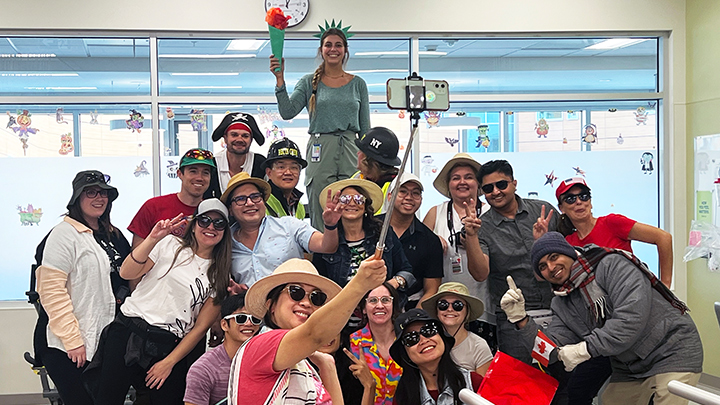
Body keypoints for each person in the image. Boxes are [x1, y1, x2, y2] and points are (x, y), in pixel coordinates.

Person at [500, 232, 703, 405]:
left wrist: (584, 350)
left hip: (671, 352)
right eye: (542, 266)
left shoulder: (612, 265)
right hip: (629, 366)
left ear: (569, 252)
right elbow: (548, 353)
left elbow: (629, 321)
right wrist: (520, 319)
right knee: (607, 400)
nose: (551, 267)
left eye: (554, 257)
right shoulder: (561, 302)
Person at [91, 198, 232, 404]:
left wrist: (169, 362)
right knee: (107, 399)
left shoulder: (219, 273)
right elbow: (126, 272)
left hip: (167, 344)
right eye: (204, 220)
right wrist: (152, 239)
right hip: (128, 331)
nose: (210, 227)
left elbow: (200, 328)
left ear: (225, 232)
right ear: (193, 226)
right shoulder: (170, 244)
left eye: (219, 224)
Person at [227, 257, 387, 405]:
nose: (306, 303)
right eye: (296, 292)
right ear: (271, 306)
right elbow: (313, 334)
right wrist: (359, 285)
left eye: (316, 297)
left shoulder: (304, 364)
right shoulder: (262, 344)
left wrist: (328, 366)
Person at [35, 170, 130, 405]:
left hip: (106, 339)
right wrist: (73, 340)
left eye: (104, 193)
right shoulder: (63, 235)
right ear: (77, 198)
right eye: (91, 193)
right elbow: (51, 291)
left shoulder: (114, 235)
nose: (99, 198)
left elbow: (129, 274)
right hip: (69, 344)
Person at [271, 27, 370, 229]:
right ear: (321, 49)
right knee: (320, 203)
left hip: (351, 149)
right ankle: (321, 255)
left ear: (345, 50)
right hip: (320, 149)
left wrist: (367, 161)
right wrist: (280, 81)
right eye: (328, 45)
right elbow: (287, 112)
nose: (333, 49)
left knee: (351, 202)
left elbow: (366, 130)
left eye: (338, 45)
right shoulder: (309, 82)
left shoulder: (358, 84)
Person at [474, 159, 559, 360]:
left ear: (514, 183)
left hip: (557, 308)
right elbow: (480, 273)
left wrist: (544, 242)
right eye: (488, 188)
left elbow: (567, 257)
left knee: (563, 373)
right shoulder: (482, 227)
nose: (495, 191)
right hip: (513, 316)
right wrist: (470, 236)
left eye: (501, 184)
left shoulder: (544, 211)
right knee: (521, 381)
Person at [422, 153, 494, 349]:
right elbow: (419, 255)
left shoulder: (490, 214)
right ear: (449, 184)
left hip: (484, 305)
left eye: (468, 177)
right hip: (444, 308)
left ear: (478, 183)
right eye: (456, 178)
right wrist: (433, 241)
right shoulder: (435, 213)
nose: (462, 182)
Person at [222, 172, 342, 289]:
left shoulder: (288, 225)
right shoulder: (225, 240)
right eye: (240, 199)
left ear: (264, 201)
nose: (249, 203)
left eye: (255, 197)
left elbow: (326, 246)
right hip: (249, 306)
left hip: (293, 303)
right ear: (230, 210)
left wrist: (330, 225)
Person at [550, 177, 673, 287]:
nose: (578, 201)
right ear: (561, 208)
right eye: (570, 199)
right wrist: (541, 240)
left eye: (584, 196)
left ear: (590, 202)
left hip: (630, 297)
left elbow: (663, 237)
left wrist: (665, 286)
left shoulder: (612, 223)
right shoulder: (568, 243)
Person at [312, 178, 415, 296]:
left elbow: (406, 271)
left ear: (366, 206)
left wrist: (388, 287)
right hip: (342, 309)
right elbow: (317, 282)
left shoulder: (384, 233)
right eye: (344, 199)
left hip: (380, 307)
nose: (351, 203)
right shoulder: (327, 240)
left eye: (358, 199)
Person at [389, 309, 483, 405]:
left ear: (442, 337)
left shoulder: (474, 382)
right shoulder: (403, 397)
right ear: (405, 354)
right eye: (411, 338)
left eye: (429, 330)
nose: (424, 340)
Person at [183, 292, 261, 405]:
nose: (249, 323)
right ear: (224, 325)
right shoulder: (203, 369)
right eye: (241, 318)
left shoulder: (266, 361)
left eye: (255, 319)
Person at [128, 148, 215, 248]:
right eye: (193, 171)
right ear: (180, 174)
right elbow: (136, 253)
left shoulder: (212, 212)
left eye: (205, 173)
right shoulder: (153, 206)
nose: (199, 178)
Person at [379, 173, 443, 309]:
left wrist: (413, 319)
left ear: (421, 200)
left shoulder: (430, 240)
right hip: (367, 304)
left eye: (415, 193)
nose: (409, 197)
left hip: (410, 307)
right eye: (402, 192)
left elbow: (431, 290)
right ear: (390, 196)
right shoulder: (370, 228)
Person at [421, 282, 493, 376]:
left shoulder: (479, 346)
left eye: (457, 305)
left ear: (467, 311)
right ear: (437, 310)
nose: (450, 309)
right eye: (443, 304)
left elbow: (483, 388)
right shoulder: (427, 341)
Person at [349, 283, 404, 405]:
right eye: (373, 301)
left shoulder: (405, 339)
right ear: (364, 308)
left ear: (393, 305)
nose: (380, 306)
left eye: (385, 300)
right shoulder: (353, 342)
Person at [207, 112, 267, 197]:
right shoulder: (212, 164)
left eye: (245, 136)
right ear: (225, 138)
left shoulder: (260, 163)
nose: (239, 139)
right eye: (234, 135)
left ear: (251, 140)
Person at [353, 126, 401, 212]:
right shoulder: (356, 177)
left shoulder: (395, 186)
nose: (357, 153)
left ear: (367, 160)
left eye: (361, 151)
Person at [263, 137, 308, 219]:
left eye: (294, 167)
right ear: (269, 173)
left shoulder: (299, 206)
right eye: (281, 167)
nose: (288, 172)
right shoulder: (260, 203)